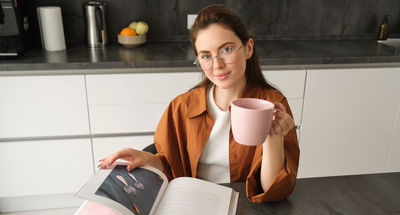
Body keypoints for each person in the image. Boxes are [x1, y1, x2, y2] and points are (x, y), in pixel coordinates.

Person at [99, 4, 300, 203]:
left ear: (248, 48)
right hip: (193, 206)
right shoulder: (181, 107)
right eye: (206, 56)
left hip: (246, 210)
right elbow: (170, 166)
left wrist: (273, 137)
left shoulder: (273, 105)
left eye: (227, 49)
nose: (217, 64)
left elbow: (273, 191)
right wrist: (148, 160)